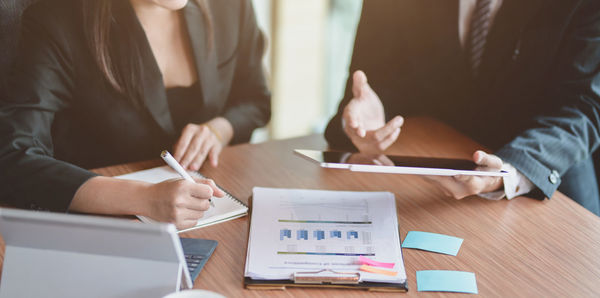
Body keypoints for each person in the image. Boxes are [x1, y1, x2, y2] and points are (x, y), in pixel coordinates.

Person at [0, 0, 271, 229]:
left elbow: (256, 100)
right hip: (105, 226)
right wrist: (143, 198)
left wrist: (219, 129)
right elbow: (14, 155)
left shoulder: (231, 6)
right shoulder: (59, 20)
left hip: (211, 220)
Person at [325, 0, 600, 215]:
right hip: (428, 193)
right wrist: (368, 115)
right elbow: (373, 78)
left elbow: (583, 106)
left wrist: (507, 170)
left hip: (545, 189)